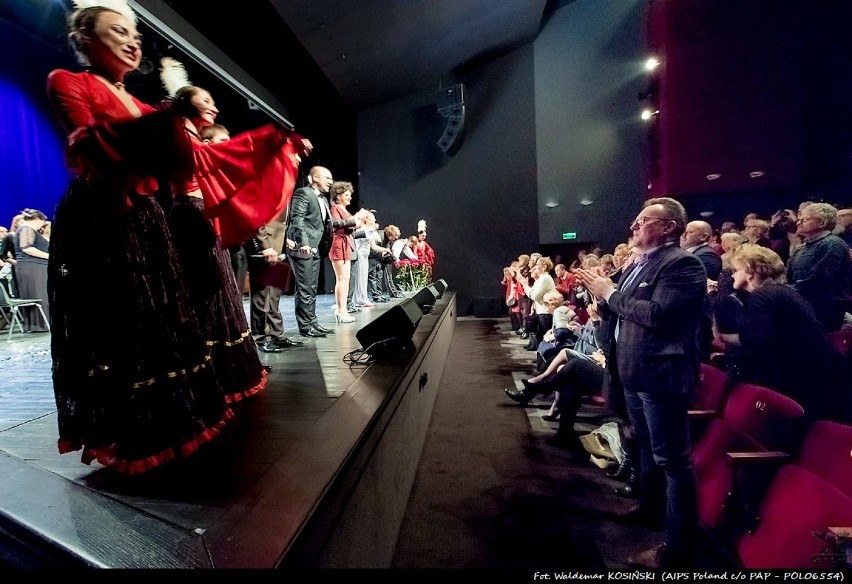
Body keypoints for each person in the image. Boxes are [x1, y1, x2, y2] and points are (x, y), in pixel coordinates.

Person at [45, 3, 233, 475]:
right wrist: (166, 122)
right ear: (87, 39)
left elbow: (186, 160)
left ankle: (171, 424)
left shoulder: (145, 105)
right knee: (122, 323)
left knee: (163, 317)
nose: (133, 41)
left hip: (146, 219)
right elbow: (92, 142)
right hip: (101, 217)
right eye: (117, 32)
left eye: (134, 33)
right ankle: (132, 434)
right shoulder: (68, 81)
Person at [576, 197, 706, 569]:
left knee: (672, 460)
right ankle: (649, 510)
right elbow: (618, 309)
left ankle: (678, 547)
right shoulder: (637, 263)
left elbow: (659, 316)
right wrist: (601, 298)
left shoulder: (682, 264)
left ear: (668, 227)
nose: (633, 225)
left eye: (643, 220)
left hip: (660, 375)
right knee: (645, 446)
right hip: (632, 370)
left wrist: (610, 294)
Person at [714, 244, 851, 425]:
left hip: (804, 376)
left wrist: (721, 337)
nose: (732, 275)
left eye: (736, 270)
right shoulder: (780, 292)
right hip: (820, 373)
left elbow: (754, 339)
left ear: (749, 271)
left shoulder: (762, 295)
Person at [286, 166, 338, 337]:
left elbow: (326, 224)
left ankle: (312, 322)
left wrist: (353, 221)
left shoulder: (322, 199)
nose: (331, 182)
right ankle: (305, 326)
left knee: (311, 288)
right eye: (327, 178)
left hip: (316, 248)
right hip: (303, 248)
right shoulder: (303, 193)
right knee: (304, 288)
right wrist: (305, 243)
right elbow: (297, 220)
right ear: (315, 177)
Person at [787, 202, 851, 333]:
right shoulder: (800, 248)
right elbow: (790, 276)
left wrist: (787, 291)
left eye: (804, 219)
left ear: (822, 223)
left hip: (825, 309)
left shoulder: (833, 243)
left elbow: (819, 279)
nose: (798, 223)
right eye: (798, 219)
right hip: (803, 305)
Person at [200, 124, 248, 297]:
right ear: (206, 143)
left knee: (235, 291)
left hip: (232, 243)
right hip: (210, 237)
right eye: (223, 141)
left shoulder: (226, 171)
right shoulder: (201, 168)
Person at [246, 212, 304, 352]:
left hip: (279, 244)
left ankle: (277, 335)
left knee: (274, 296)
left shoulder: (287, 191)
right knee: (262, 295)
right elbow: (256, 217)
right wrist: (263, 245)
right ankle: (260, 337)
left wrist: (285, 241)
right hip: (266, 246)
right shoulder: (266, 189)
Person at [327, 180, 366, 323]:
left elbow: (349, 226)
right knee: (342, 278)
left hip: (346, 243)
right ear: (338, 196)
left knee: (346, 278)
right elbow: (335, 224)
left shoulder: (344, 210)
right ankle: (341, 309)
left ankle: (342, 309)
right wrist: (356, 219)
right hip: (339, 244)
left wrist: (357, 221)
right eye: (347, 194)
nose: (350, 197)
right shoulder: (335, 208)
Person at [13, 209, 51, 332]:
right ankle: (41, 325)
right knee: (39, 294)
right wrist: (49, 256)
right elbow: (27, 248)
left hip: (31, 266)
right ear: (37, 219)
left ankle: (38, 325)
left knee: (39, 294)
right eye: (42, 221)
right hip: (33, 267)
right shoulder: (27, 229)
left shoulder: (26, 229)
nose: (43, 224)